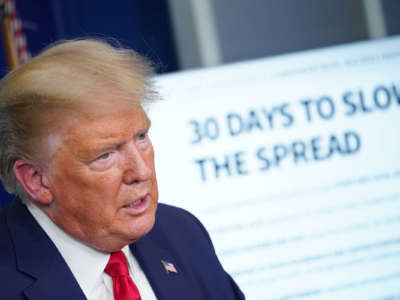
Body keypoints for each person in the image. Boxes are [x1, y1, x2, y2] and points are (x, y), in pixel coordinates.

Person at [0, 39, 245, 300]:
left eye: (141, 137)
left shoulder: (181, 233)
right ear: (36, 179)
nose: (141, 172)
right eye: (105, 155)